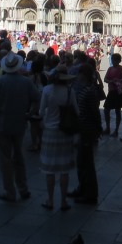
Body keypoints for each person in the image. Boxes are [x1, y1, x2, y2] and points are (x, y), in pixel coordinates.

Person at [0, 51, 41, 203]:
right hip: (20, 123)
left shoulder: (0, 81)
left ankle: (10, 191)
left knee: (5, 159)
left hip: (3, 122)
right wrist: (30, 113)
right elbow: (37, 98)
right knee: (19, 156)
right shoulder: (26, 82)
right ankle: (23, 188)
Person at [39, 63, 79, 211]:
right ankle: (63, 201)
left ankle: (50, 200)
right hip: (65, 131)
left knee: (49, 169)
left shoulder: (47, 90)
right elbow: (76, 111)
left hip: (50, 131)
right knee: (64, 169)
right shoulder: (70, 91)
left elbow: (41, 111)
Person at [70, 62, 103, 204]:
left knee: (86, 163)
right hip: (82, 128)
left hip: (87, 130)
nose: (78, 76)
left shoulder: (89, 91)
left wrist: (98, 129)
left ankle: (90, 194)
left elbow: (95, 112)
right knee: (81, 162)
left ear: (84, 75)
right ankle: (82, 188)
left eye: (80, 74)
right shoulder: (85, 89)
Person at [103, 52, 122, 136]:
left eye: (115, 60)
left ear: (119, 61)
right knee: (106, 109)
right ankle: (108, 127)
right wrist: (111, 81)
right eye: (113, 60)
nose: (113, 61)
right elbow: (105, 79)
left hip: (118, 92)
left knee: (117, 111)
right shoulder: (110, 69)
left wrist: (120, 80)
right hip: (111, 91)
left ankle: (116, 130)